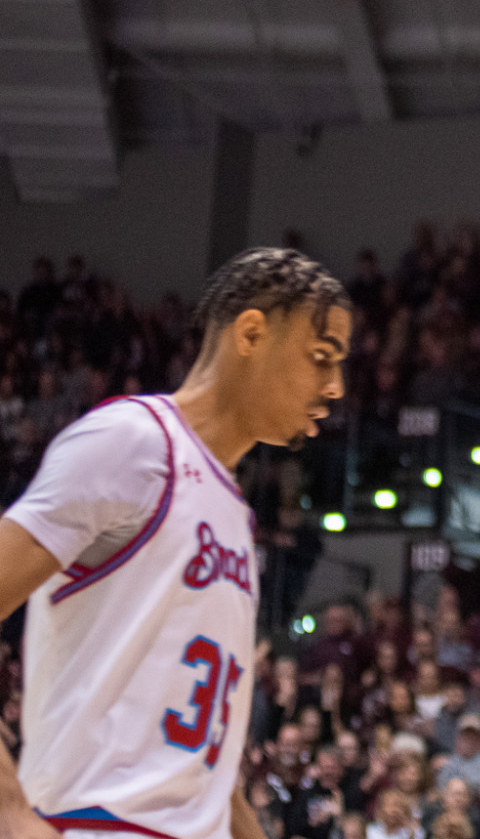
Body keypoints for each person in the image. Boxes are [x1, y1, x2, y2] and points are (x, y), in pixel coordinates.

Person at [0, 248, 351, 839]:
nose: (336, 386)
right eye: (321, 358)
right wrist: (9, 812)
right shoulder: (131, 442)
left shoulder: (234, 513)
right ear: (252, 332)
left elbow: (203, 768)